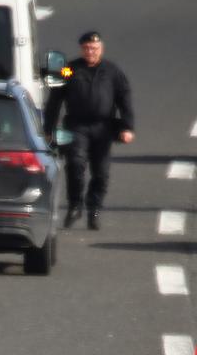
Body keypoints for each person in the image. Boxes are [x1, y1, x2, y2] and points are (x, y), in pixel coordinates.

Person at [43, 30, 135, 231]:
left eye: (94, 48)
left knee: (101, 172)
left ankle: (94, 209)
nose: (90, 52)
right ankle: (75, 205)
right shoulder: (69, 69)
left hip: (103, 128)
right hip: (76, 126)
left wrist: (127, 127)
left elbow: (124, 98)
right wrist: (49, 128)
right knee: (75, 165)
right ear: (81, 49)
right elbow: (55, 97)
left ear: (101, 49)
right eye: (86, 48)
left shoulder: (112, 71)